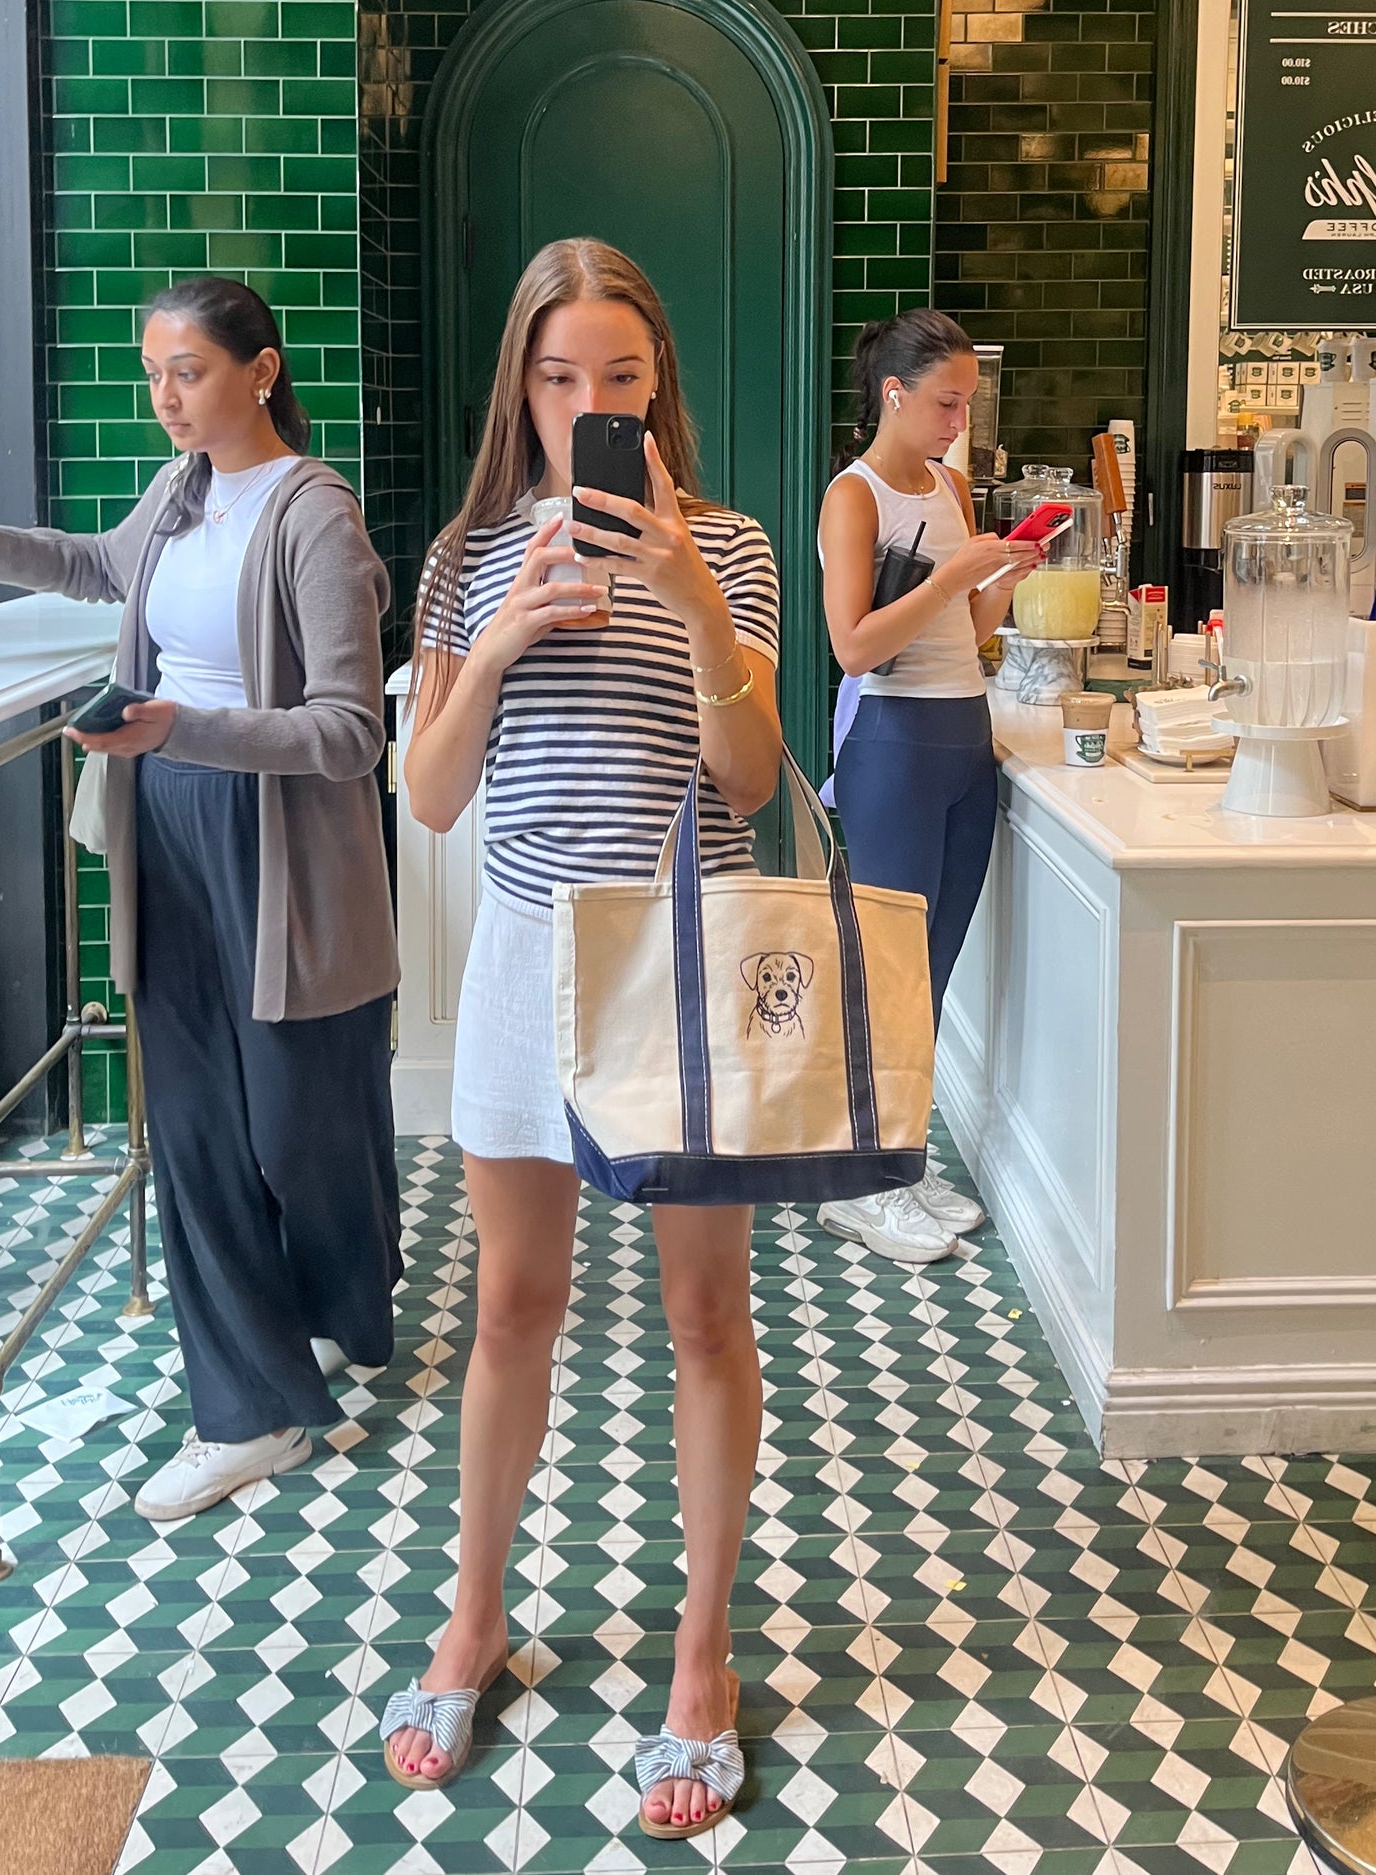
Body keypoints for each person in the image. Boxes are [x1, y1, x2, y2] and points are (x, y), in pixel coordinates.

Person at [380, 238, 782, 1843]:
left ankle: (702, 1653)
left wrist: (684, 591)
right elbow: (427, 789)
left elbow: (747, 773)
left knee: (702, 1316)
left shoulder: (733, 543)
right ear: (522, 390)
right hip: (523, 958)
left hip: (684, 954)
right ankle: (472, 1614)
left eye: (619, 376)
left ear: (655, 384)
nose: (588, 402)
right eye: (560, 378)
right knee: (510, 1310)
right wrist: (491, 643)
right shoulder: (465, 553)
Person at [0, 278, 402, 1519]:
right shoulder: (183, 493)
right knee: (197, 1122)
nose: (165, 398)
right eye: (154, 373)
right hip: (167, 825)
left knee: (297, 1124)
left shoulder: (314, 518)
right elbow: (103, 564)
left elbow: (351, 734)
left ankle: (335, 1307)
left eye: (188, 371)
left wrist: (178, 727)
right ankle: (248, 1408)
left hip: (277, 840)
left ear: (260, 373)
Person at [815, 308, 1037, 1265]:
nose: (960, 424)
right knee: (885, 974)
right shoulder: (853, 496)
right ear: (893, 394)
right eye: (948, 403)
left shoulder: (950, 487)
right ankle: (856, 1181)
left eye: (969, 406)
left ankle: (896, 1160)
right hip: (893, 747)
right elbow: (855, 644)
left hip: (962, 739)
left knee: (932, 971)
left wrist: (1009, 573)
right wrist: (958, 583)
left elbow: (968, 632)